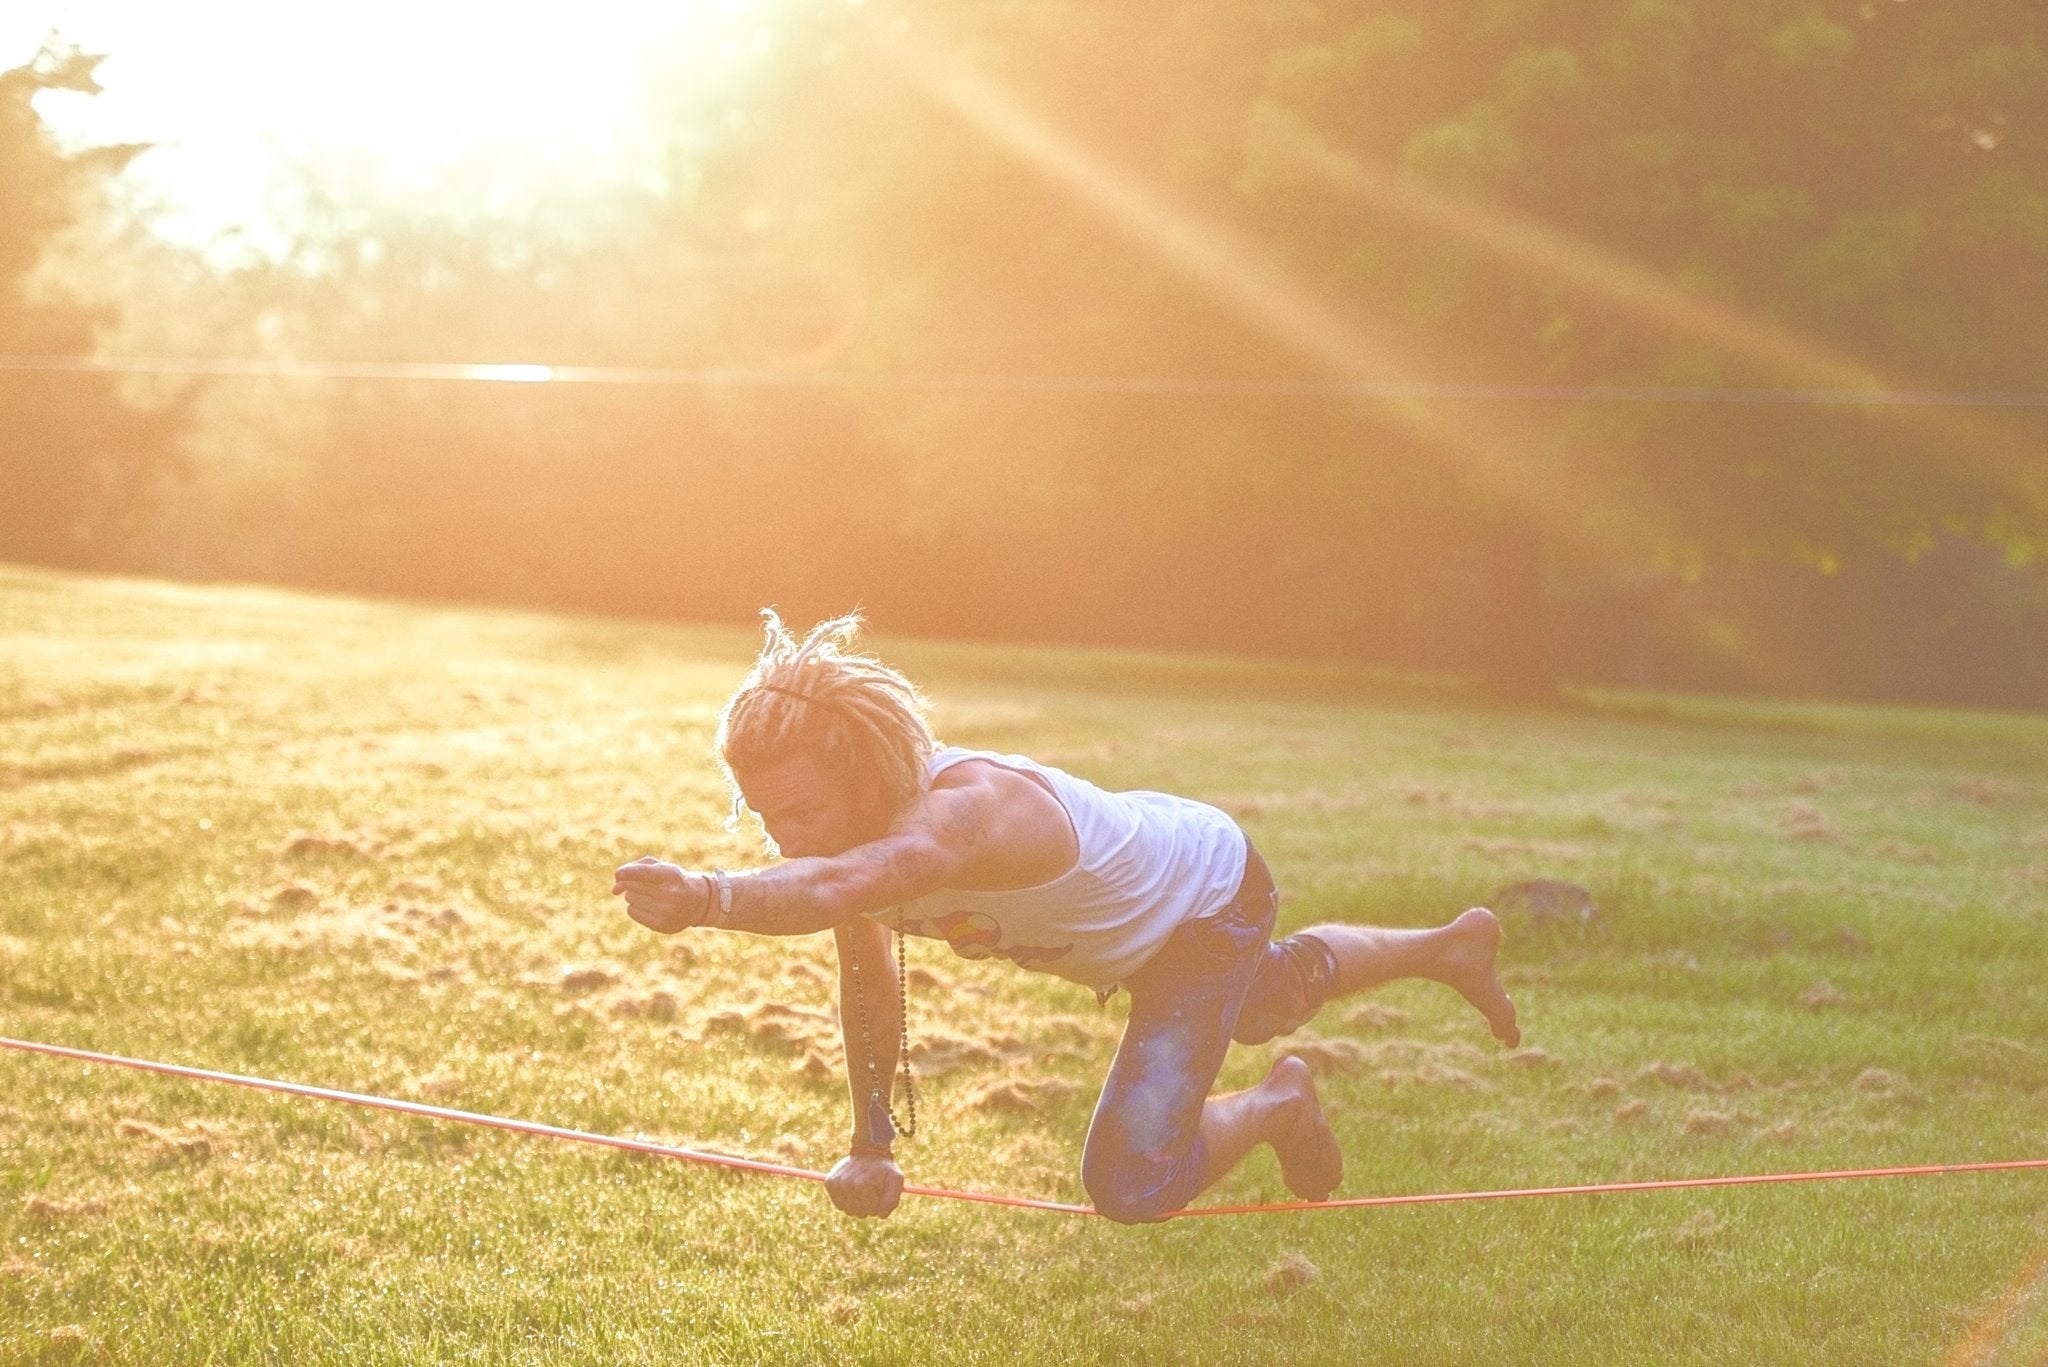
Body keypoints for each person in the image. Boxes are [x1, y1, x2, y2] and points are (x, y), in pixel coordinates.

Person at [612, 612, 1520, 1224]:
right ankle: (1448, 946)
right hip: (1159, 879)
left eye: (801, 812)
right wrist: (870, 1140)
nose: (783, 840)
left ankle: (1280, 1101)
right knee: (1265, 993)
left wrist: (706, 897)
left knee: (1133, 1180)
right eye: (766, 818)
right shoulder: (853, 862)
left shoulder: (958, 816)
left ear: (863, 777)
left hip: (1207, 897)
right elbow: (868, 979)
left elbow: (824, 894)